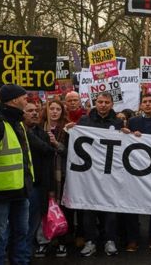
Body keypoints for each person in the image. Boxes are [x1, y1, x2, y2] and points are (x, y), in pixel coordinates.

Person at [65, 92, 123, 257]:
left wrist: (128, 134)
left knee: (110, 209)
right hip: (89, 174)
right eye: (100, 102)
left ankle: (109, 240)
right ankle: (91, 241)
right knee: (89, 210)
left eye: (106, 102)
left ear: (111, 104)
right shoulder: (84, 121)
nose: (103, 105)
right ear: (95, 103)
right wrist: (70, 130)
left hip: (110, 174)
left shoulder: (118, 122)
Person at [120, 93, 151, 252]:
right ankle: (132, 239)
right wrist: (130, 135)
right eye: (145, 102)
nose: (148, 104)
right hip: (135, 169)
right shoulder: (133, 121)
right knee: (132, 204)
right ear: (141, 105)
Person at [0, 84, 35, 265]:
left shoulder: (18, 122)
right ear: (13, 100)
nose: (27, 99)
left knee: (21, 233)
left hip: (21, 190)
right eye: (24, 97)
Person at [23, 102, 59, 258]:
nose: (35, 113)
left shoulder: (43, 135)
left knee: (32, 224)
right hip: (18, 186)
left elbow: (48, 163)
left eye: (36, 110)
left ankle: (26, 254)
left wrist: (50, 188)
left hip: (37, 187)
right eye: (30, 111)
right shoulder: (15, 132)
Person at [40, 99, 70, 258]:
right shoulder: (39, 127)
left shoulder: (66, 129)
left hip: (60, 174)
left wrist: (56, 143)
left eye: (58, 109)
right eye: (51, 108)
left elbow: (69, 152)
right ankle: (43, 241)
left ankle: (62, 241)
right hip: (43, 174)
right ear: (47, 110)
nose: (54, 112)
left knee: (60, 209)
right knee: (43, 208)